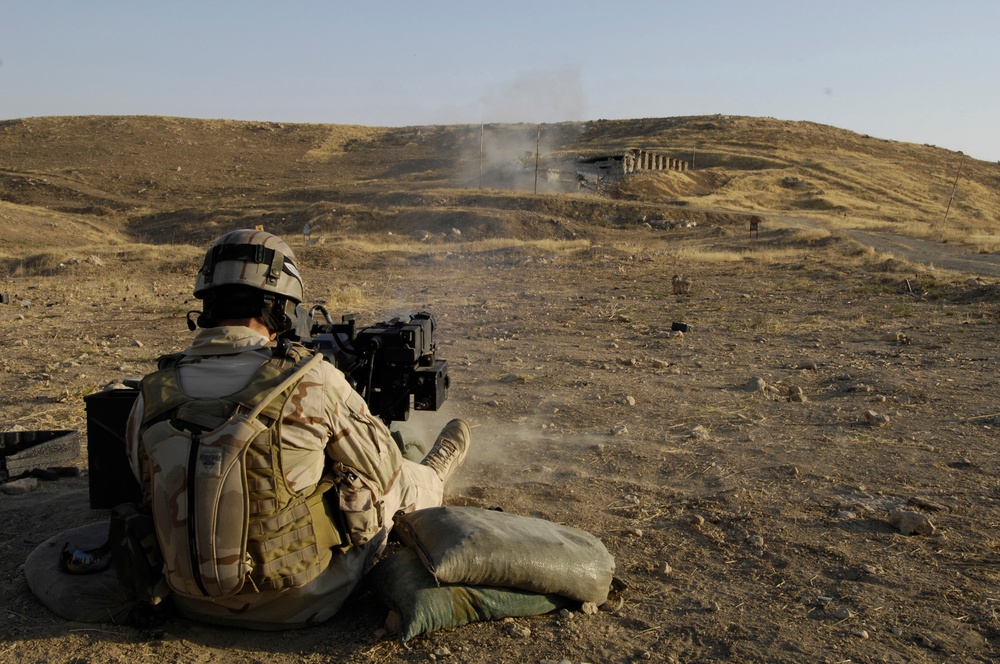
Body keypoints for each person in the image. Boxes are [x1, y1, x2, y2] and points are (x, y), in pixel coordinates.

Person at [124, 228, 471, 629]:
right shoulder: (310, 380)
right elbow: (384, 468)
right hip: (304, 600)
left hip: (187, 601)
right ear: (281, 309)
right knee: (399, 481)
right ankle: (435, 475)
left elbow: (141, 478)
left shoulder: (153, 391)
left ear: (207, 304)